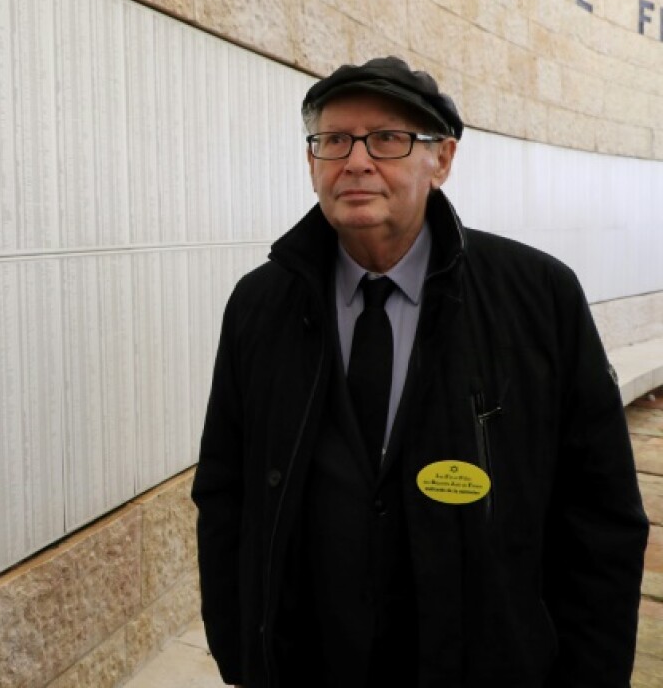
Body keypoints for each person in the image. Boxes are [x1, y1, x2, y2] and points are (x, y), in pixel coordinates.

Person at [191, 56, 648, 688]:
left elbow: (601, 518)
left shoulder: (539, 297)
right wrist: (242, 652)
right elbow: (224, 492)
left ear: (443, 160)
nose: (355, 161)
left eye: (387, 139)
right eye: (333, 140)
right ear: (312, 161)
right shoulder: (259, 304)